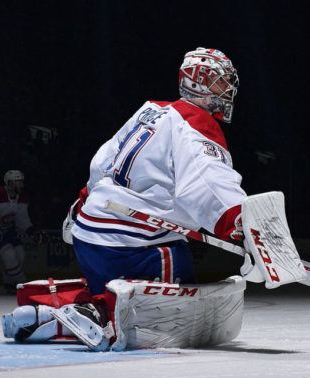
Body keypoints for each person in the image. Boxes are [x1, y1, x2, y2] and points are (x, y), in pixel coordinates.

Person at [69, 47, 247, 295]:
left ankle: (52, 316)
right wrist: (242, 223)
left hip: (90, 233)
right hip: (133, 244)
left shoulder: (151, 109)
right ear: (201, 82)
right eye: (223, 80)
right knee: (176, 317)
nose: (229, 87)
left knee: (108, 304)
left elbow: (103, 161)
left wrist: (84, 200)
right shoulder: (196, 123)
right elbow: (207, 181)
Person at [0, 170, 47, 293]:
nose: (22, 185)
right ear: (10, 183)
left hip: (6, 230)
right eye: (19, 182)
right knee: (8, 253)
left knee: (20, 253)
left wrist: (32, 232)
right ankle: (21, 284)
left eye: (22, 182)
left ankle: (8, 282)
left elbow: (22, 220)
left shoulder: (22, 199)